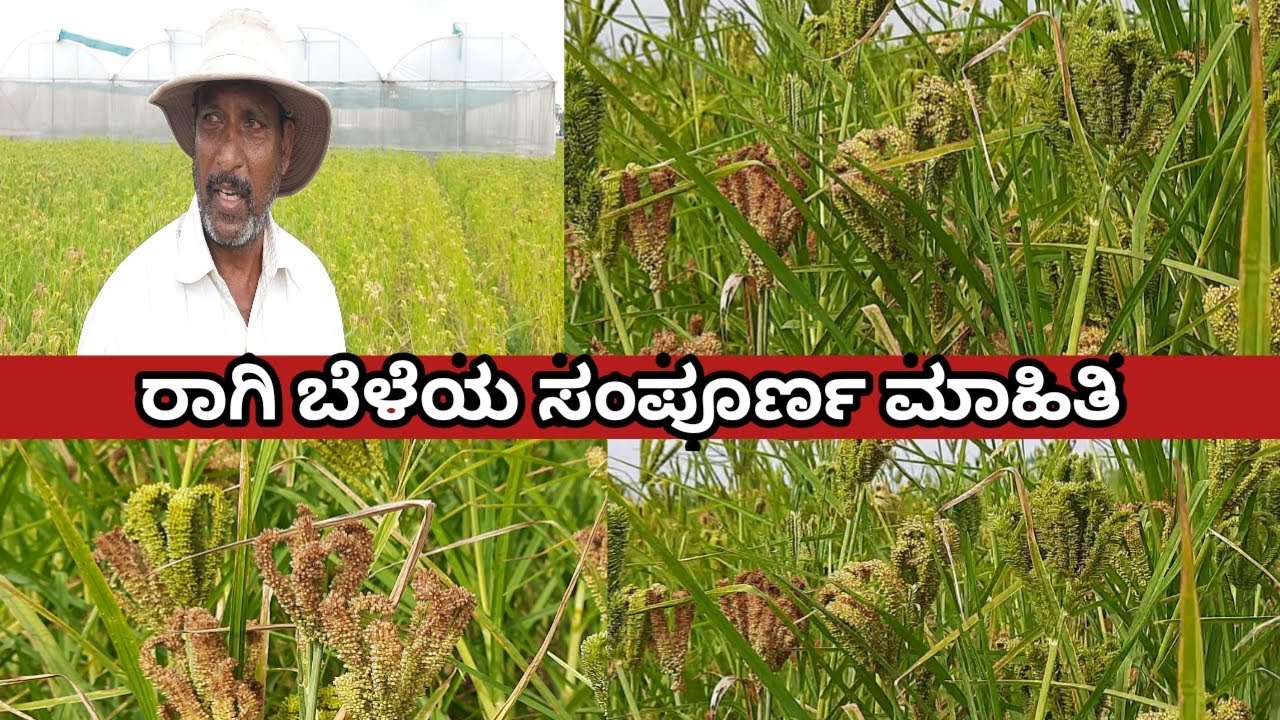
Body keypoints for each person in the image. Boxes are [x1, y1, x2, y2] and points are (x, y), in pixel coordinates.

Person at [78, 9, 344, 355]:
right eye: (212, 119)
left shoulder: (312, 291)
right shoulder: (128, 304)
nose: (227, 156)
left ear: (286, 146)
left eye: (253, 124)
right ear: (194, 134)